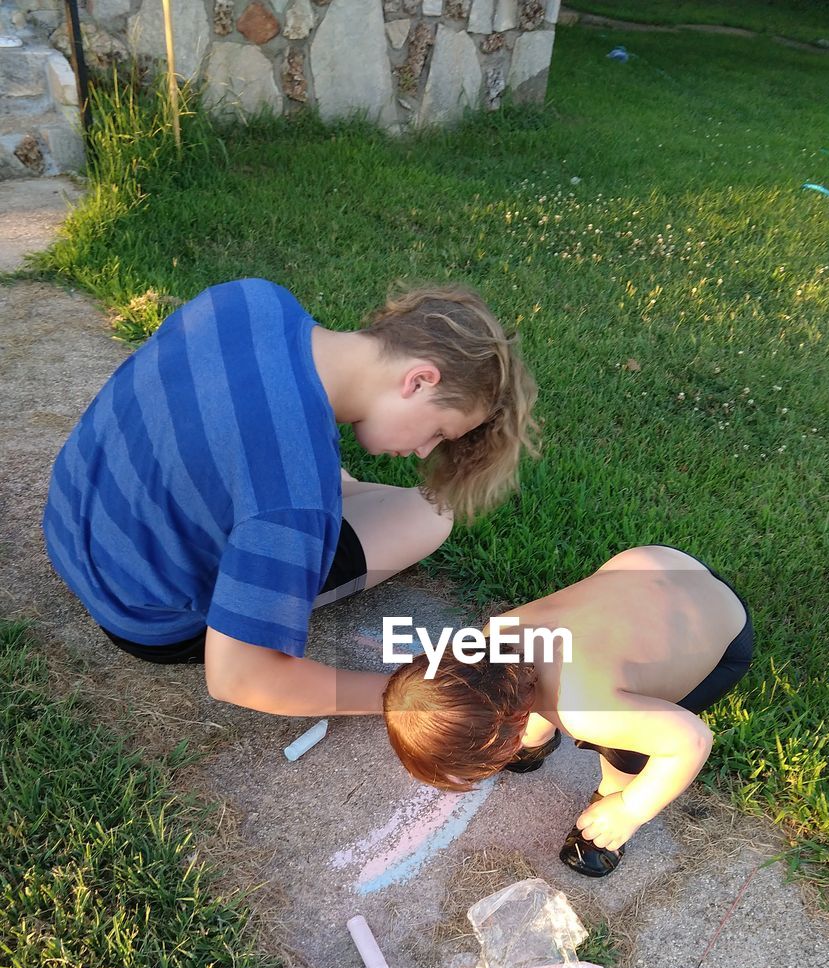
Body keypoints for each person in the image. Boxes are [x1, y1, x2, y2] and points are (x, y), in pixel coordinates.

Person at [42, 277, 538, 717]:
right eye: (440, 431)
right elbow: (239, 678)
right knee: (429, 516)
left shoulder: (251, 297)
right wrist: (401, 695)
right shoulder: (295, 493)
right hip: (143, 616)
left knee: (313, 484)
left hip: (69, 528)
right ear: (419, 380)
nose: (425, 450)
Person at [382, 546, 753, 877]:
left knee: (627, 748)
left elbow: (691, 739)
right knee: (541, 674)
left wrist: (630, 808)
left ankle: (611, 797)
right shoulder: (492, 636)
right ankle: (538, 737)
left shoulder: (589, 714)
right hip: (657, 564)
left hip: (724, 635)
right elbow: (533, 678)